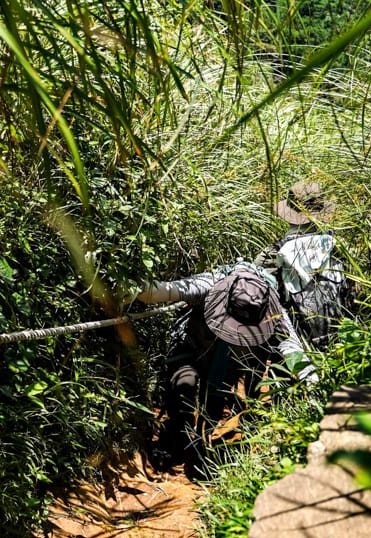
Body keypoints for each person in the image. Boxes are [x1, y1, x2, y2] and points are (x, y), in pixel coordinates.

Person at [134, 260, 316, 471]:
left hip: (229, 366)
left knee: (213, 405)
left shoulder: (274, 312)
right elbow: (158, 292)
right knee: (185, 384)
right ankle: (176, 435)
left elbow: (293, 350)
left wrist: (313, 384)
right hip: (192, 348)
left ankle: (201, 445)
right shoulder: (210, 284)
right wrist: (127, 286)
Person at [255, 181, 358, 350]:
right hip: (347, 341)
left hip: (296, 346)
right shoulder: (340, 247)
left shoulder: (272, 254)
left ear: (289, 213)